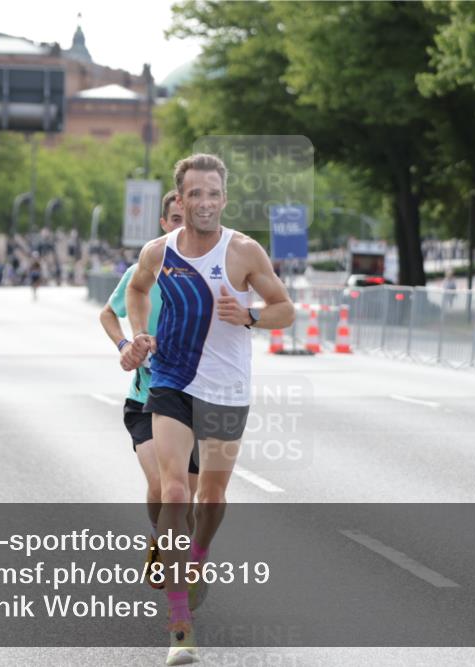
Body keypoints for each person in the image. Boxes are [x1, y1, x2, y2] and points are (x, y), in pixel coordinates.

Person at [124, 154, 295, 665]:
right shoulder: (159, 251)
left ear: (224, 198)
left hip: (227, 390)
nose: (204, 203)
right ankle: (180, 626)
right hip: (172, 382)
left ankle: (196, 558)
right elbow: (136, 288)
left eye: (213, 194)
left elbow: (285, 309)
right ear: (179, 198)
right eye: (194, 194)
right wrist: (140, 335)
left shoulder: (243, 251)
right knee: (175, 490)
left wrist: (250, 315)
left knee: (212, 499)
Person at [100, 190, 199, 588]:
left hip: (195, 399)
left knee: (185, 496)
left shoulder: (213, 271)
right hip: (145, 398)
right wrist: (125, 344)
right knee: (161, 485)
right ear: (164, 224)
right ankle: (161, 540)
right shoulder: (146, 267)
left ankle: (184, 554)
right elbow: (109, 314)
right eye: (175, 219)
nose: (183, 226)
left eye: (189, 219)